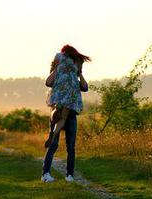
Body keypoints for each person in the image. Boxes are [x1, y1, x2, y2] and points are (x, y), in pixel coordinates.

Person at [41, 45, 90, 183]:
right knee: (70, 147)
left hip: (58, 107)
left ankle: (46, 174)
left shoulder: (60, 64)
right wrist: (79, 73)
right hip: (71, 109)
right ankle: (69, 176)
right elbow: (85, 87)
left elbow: (48, 82)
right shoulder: (74, 65)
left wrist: (58, 69)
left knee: (54, 145)